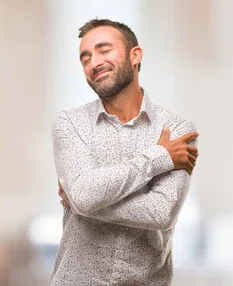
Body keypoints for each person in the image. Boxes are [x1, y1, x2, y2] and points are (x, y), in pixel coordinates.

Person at [50, 18, 199, 285]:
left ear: (135, 55)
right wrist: (160, 158)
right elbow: (85, 195)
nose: (94, 63)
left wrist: (82, 202)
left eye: (104, 50)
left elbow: (161, 213)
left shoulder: (177, 130)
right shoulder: (69, 123)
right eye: (85, 59)